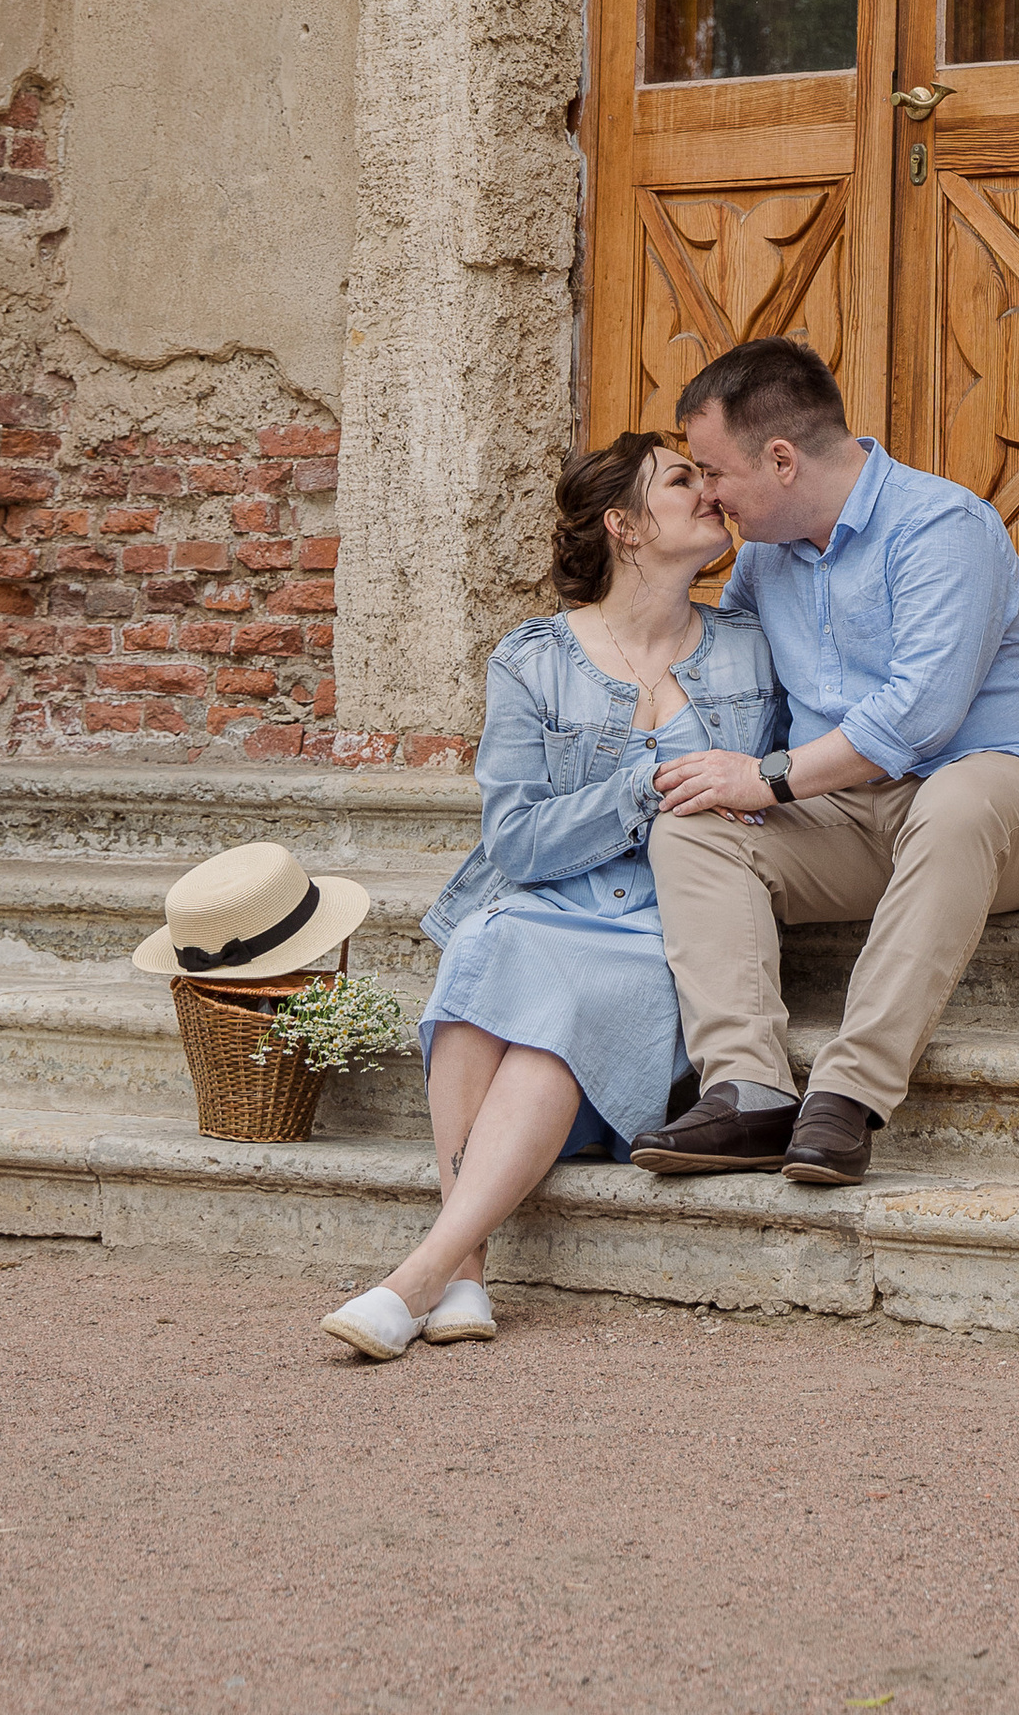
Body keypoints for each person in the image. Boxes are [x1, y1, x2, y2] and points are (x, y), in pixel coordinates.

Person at [321, 430, 779, 1361]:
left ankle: (427, 1276)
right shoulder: (532, 660)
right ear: (624, 526)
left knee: (555, 1018)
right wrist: (641, 785)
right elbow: (517, 841)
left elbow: (772, 804)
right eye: (681, 480)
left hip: (666, 923)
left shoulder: (751, 652)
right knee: (491, 947)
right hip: (545, 905)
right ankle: (465, 1275)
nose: (709, 491)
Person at [632, 337, 1019, 1190]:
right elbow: (727, 676)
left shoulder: (942, 524)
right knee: (695, 830)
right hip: (852, 814)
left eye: (715, 472)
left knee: (955, 801)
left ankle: (848, 1096)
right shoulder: (766, 557)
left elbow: (921, 715)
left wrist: (766, 778)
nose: (709, 494)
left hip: (1006, 796)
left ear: (779, 459)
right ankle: (750, 1090)